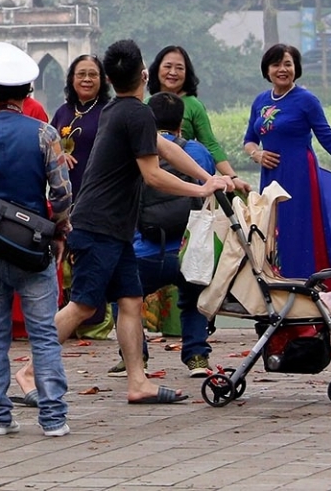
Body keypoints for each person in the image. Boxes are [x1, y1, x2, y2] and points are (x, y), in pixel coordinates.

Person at [50, 39, 237, 406]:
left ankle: (139, 381)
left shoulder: (120, 110)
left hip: (115, 230)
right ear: (145, 75)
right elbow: (153, 175)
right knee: (84, 306)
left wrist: (207, 177)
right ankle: (30, 373)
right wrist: (199, 192)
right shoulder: (132, 112)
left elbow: (166, 148)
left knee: (131, 301)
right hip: (99, 226)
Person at [0, 41, 72, 438]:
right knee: (43, 333)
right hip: (34, 248)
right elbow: (62, 195)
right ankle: (53, 418)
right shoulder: (45, 134)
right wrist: (58, 230)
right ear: (28, 93)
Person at [242, 43, 331, 283]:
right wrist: (257, 155)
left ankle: (307, 289)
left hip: (300, 176)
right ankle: (279, 288)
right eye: (276, 64)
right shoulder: (260, 101)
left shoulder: (306, 100)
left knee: (299, 230)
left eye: (288, 64)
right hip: (271, 178)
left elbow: (328, 138)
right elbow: (249, 140)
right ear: (267, 70)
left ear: (296, 68)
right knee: (272, 231)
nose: (282, 69)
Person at [132, 93, 216, 376]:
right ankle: (196, 358)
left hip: (145, 248)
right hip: (187, 248)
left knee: (125, 297)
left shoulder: (138, 151)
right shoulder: (198, 152)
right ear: (181, 122)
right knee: (192, 300)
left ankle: (134, 358)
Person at [147, 46, 234, 178]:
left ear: (187, 73)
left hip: (185, 175)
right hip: (151, 175)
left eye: (180, 68)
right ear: (157, 69)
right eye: (168, 66)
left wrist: (232, 176)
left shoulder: (194, 106)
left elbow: (210, 144)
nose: (173, 72)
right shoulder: (145, 104)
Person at [52, 54, 104, 195]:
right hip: (65, 192)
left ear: (102, 79)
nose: (87, 79)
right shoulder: (62, 112)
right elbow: (48, 145)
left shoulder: (109, 112)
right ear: (72, 78)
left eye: (92, 75)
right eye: (81, 74)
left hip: (98, 192)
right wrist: (59, 154)